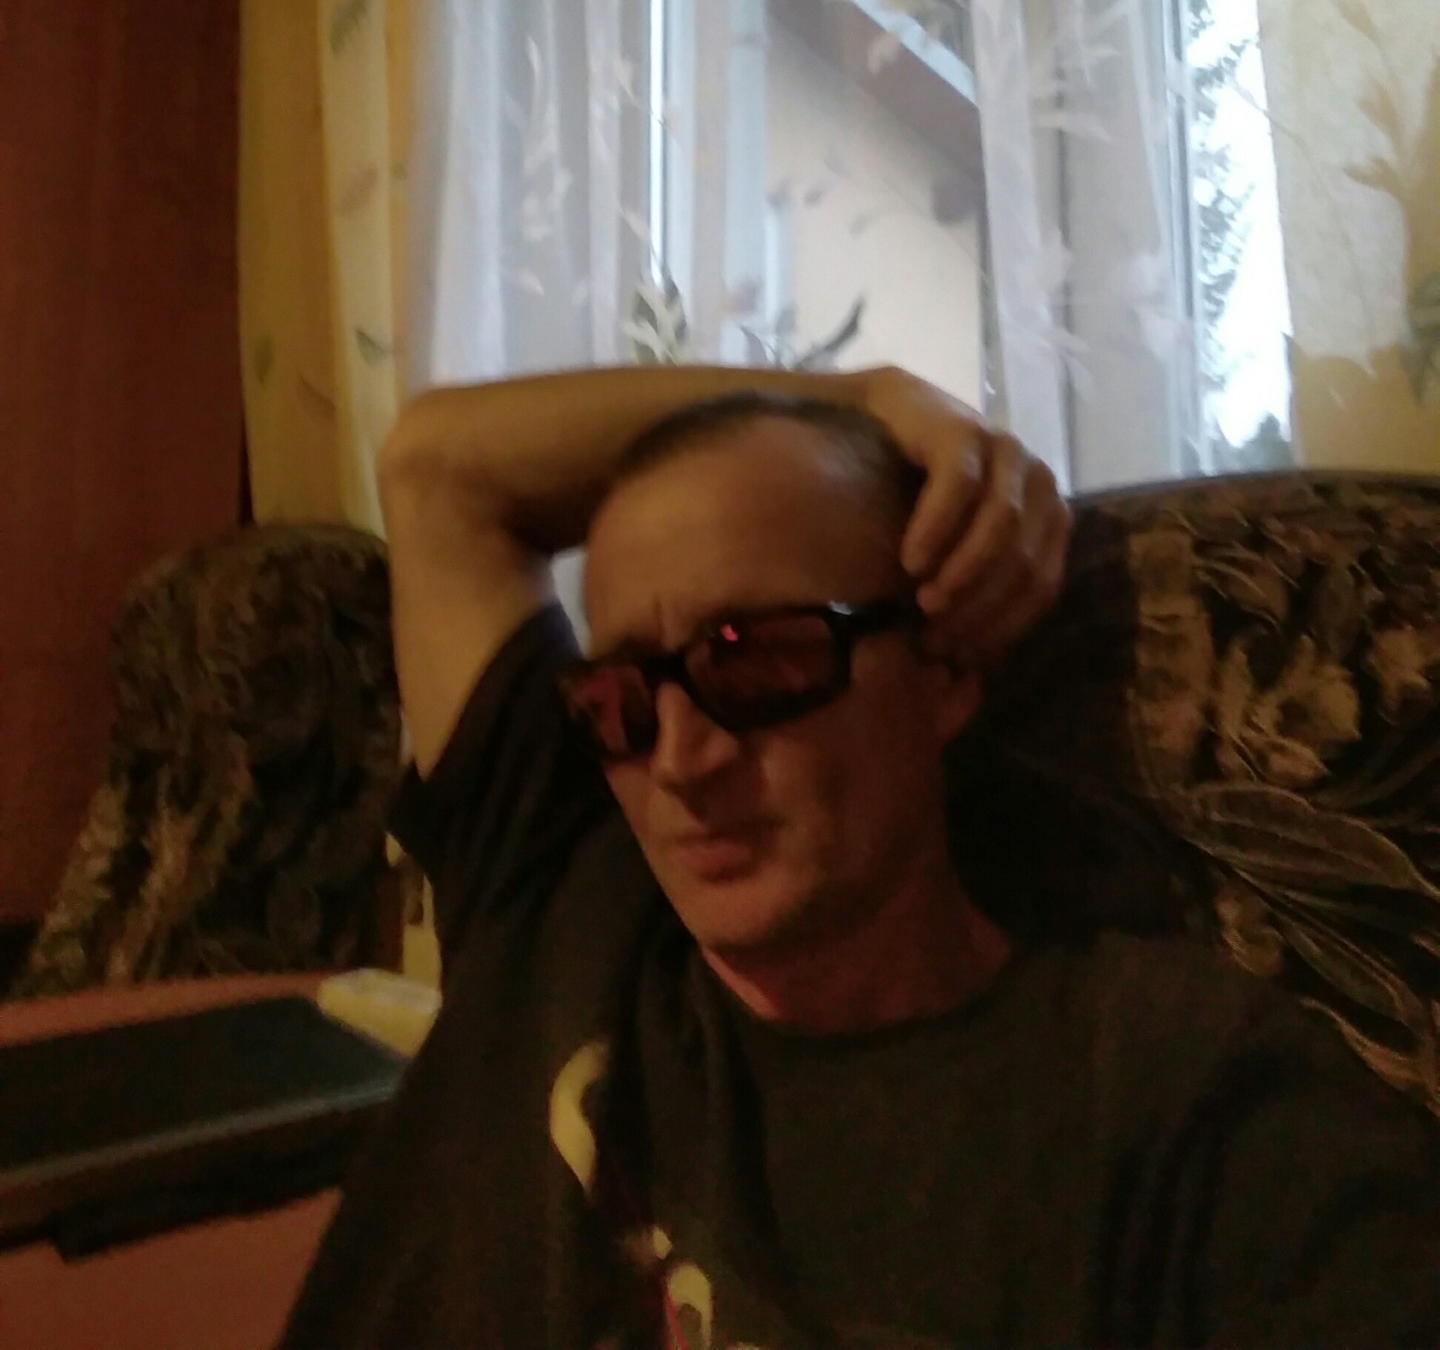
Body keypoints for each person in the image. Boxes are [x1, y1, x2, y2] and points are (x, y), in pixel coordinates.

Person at [279, 363, 1440, 1350]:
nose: (679, 760)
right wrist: (867, 399)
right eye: (621, 694)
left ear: (945, 672)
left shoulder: (1170, 1095)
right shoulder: (555, 858)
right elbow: (439, 467)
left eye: (757, 660)